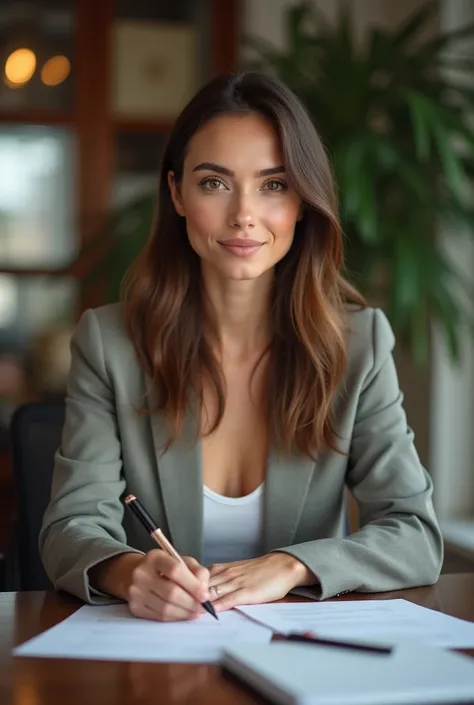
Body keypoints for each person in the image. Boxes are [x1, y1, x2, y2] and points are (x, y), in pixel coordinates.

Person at [40, 72, 443, 622]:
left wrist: (291, 565)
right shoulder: (110, 344)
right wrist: (130, 572)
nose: (244, 215)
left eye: (274, 184)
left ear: (303, 201)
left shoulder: (360, 344)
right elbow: (70, 528)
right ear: (177, 192)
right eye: (215, 183)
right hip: (154, 651)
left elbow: (415, 534)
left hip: (300, 655)